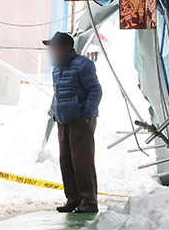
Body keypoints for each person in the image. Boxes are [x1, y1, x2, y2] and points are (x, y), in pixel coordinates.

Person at [43, 32, 102, 213]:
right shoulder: (56, 68)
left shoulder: (83, 65)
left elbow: (95, 90)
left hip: (80, 119)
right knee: (66, 160)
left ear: (64, 48)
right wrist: (55, 111)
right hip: (63, 119)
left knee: (82, 160)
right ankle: (73, 198)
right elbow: (58, 93)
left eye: (55, 47)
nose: (52, 51)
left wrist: (87, 114)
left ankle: (89, 201)